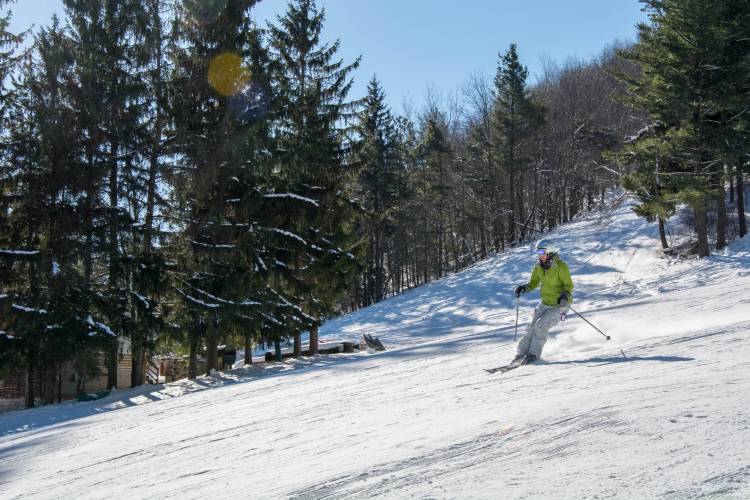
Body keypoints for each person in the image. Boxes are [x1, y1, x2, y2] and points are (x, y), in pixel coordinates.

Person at [513, 239, 574, 363]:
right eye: (538, 252)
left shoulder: (561, 267)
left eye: (542, 251)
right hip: (545, 302)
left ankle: (533, 354)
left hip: (560, 304)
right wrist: (524, 288)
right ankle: (521, 353)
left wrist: (564, 296)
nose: (539, 255)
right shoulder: (538, 267)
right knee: (531, 327)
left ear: (550, 252)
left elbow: (568, 286)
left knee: (540, 326)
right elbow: (534, 282)